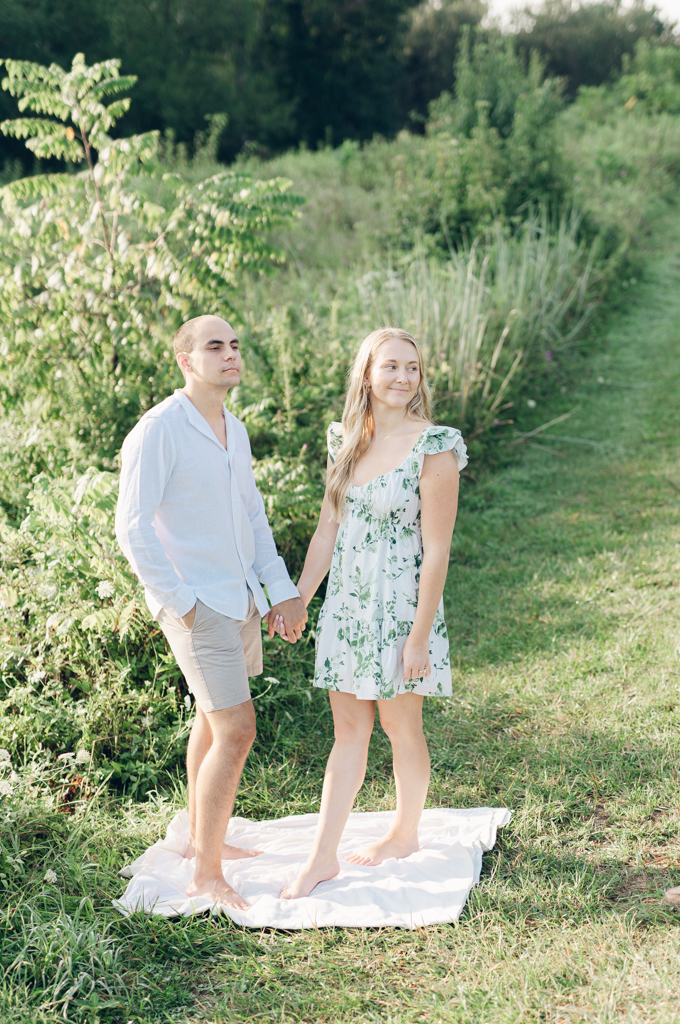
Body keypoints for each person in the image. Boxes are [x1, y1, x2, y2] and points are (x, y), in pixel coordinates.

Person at [115, 314, 307, 911]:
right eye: (215, 346)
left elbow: (251, 516)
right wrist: (182, 604)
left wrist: (279, 589)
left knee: (211, 718)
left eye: (235, 345)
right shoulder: (160, 430)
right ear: (186, 360)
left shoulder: (234, 428)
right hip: (200, 607)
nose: (230, 355)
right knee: (237, 729)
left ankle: (204, 842)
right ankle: (206, 874)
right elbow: (132, 528)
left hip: (239, 596)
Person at [279, 326, 467, 900]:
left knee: (399, 724)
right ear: (366, 372)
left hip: (402, 611)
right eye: (391, 366)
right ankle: (321, 857)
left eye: (412, 368)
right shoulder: (346, 442)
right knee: (348, 732)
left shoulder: (434, 445)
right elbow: (327, 531)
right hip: (348, 610)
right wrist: (301, 598)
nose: (403, 378)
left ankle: (405, 832)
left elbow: (436, 550)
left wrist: (417, 638)